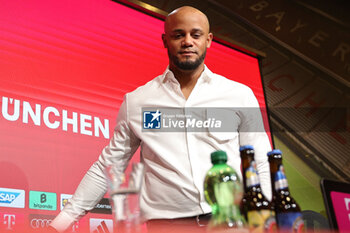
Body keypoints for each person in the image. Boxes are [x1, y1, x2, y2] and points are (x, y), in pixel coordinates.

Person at [49, 5, 272, 232]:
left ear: (209, 40)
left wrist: (264, 218)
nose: (187, 41)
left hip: (232, 222)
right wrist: (59, 225)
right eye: (178, 35)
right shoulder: (137, 101)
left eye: (196, 35)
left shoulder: (238, 95)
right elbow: (107, 166)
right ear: (165, 40)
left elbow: (261, 161)